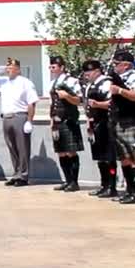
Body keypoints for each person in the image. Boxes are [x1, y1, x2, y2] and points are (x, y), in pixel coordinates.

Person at [0, 58, 39, 186]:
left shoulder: (25, 82)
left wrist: (29, 121)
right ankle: (16, 174)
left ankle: (24, 176)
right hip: (6, 117)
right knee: (12, 147)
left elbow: (31, 103)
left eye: (11, 67)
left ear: (18, 69)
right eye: (7, 67)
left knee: (22, 148)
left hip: (20, 116)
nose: (8, 69)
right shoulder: (4, 81)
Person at [107, 49, 135, 205]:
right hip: (118, 120)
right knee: (124, 158)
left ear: (126, 65)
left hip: (131, 121)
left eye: (117, 64)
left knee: (134, 158)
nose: (114, 66)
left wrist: (120, 90)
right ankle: (129, 190)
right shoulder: (115, 79)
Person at [82, 60, 118, 199]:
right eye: (85, 73)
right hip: (95, 123)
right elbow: (87, 105)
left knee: (109, 158)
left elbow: (111, 103)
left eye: (89, 72)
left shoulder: (106, 83)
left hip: (107, 123)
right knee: (100, 158)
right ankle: (104, 185)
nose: (87, 75)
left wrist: (98, 104)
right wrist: (88, 122)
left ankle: (112, 186)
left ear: (97, 71)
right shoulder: (89, 85)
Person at [48, 56, 84, 192]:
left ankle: (74, 182)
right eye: (50, 67)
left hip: (69, 119)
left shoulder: (72, 81)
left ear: (62, 67)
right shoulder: (52, 83)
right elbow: (52, 103)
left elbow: (79, 100)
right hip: (57, 120)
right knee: (61, 152)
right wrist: (51, 121)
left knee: (71, 152)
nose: (52, 69)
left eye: (54, 67)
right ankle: (67, 180)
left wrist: (67, 96)